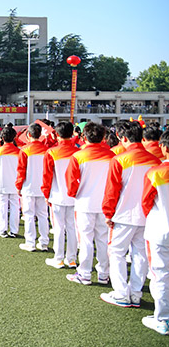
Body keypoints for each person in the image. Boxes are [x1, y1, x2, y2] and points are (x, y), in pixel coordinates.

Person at [101, 121, 161, 308]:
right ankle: (135, 293)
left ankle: (121, 294)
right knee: (140, 255)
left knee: (116, 253)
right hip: (147, 215)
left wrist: (108, 213)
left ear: (123, 138)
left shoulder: (119, 159)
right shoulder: (155, 160)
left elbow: (112, 190)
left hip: (123, 215)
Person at [64, 121, 115, 286]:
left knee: (85, 239)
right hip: (105, 204)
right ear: (103, 137)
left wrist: (74, 194)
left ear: (84, 137)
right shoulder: (112, 156)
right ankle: (104, 274)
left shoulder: (78, 156)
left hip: (85, 203)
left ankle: (85, 273)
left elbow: (71, 182)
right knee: (103, 239)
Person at [139, 130, 169, 335]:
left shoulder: (155, 172)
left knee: (160, 275)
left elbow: (146, 202)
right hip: (160, 229)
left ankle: (163, 318)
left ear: (164, 148)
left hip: (160, 229)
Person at [41, 121, 80, 269]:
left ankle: (58, 258)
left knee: (59, 228)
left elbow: (47, 176)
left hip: (57, 195)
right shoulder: (78, 152)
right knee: (72, 227)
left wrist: (46, 193)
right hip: (75, 196)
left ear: (57, 135)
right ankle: (71, 259)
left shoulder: (52, 152)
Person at [16, 123, 50, 252]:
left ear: (29, 135)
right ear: (40, 134)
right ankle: (44, 242)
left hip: (28, 186)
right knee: (43, 215)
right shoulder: (47, 150)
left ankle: (30, 242)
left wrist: (18, 185)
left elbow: (21, 170)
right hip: (43, 187)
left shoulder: (25, 150)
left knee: (29, 215)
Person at [0, 126, 21, 237]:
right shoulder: (19, 152)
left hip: (1, 181)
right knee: (15, 206)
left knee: (2, 206)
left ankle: (2, 230)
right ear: (14, 137)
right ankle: (14, 230)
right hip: (15, 182)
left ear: (2, 138)